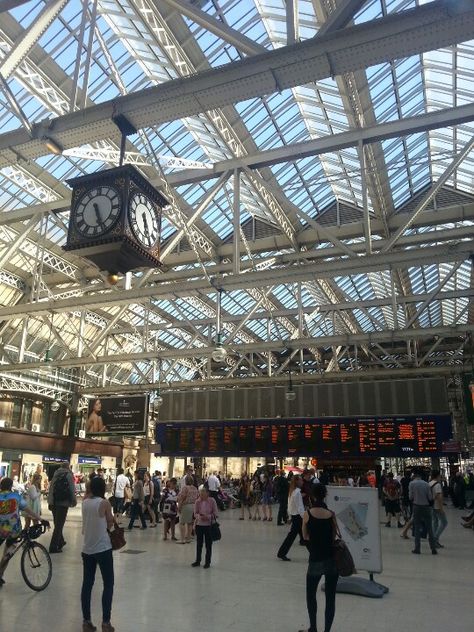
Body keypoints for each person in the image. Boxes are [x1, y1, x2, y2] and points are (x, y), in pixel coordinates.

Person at [300, 484, 339, 632]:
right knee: (330, 598)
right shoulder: (331, 514)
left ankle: (313, 627)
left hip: (315, 559)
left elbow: (304, 536)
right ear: (325, 495)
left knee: (311, 595)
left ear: (313, 496)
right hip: (331, 559)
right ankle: (327, 630)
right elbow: (334, 535)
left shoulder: (307, 514)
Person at [0, 477, 50, 588]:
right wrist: (40, 519)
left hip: (1, 529)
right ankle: (1, 574)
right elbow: (28, 510)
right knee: (8, 553)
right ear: (11, 486)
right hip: (14, 530)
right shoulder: (16, 496)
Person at [81, 475, 115, 632]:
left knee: (87, 584)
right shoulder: (104, 503)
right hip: (103, 548)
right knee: (108, 584)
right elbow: (110, 521)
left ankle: (86, 621)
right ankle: (106, 623)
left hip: (87, 548)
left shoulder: (85, 503)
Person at [48, 461, 76, 553]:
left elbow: (51, 488)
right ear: (68, 467)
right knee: (59, 525)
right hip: (63, 503)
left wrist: (50, 502)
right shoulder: (68, 475)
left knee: (57, 523)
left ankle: (61, 541)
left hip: (54, 502)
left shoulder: (55, 474)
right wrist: (73, 500)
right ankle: (53, 546)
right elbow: (72, 489)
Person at [409, 468, 437, 555]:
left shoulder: (412, 484)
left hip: (416, 507)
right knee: (429, 528)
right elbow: (430, 498)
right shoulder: (426, 484)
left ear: (414, 476)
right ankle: (433, 549)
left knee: (417, 527)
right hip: (426, 507)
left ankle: (417, 549)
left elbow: (410, 497)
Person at [277, 474, 304, 561]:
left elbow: (290, 505)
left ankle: (281, 553)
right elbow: (300, 507)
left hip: (295, 516)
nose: (302, 482)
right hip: (298, 517)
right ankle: (281, 553)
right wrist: (305, 517)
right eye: (301, 480)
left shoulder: (292, 491)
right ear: (297, 481)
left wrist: (290, 516)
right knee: (293, 536)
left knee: (304, 537)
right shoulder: (297, 492)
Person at [192, 486, 218, 568]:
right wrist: (199, 517)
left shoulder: (212, 501)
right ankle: (198, 560)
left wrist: (209, 516)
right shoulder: (197, 502)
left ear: (207, 493)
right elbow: (195, 513)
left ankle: (207, 562)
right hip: (199, 525)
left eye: (203, 492)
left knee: (208, 544)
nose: (201, 494)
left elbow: (216, 513)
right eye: (201, 492)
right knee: (199, 544)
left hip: (209, 525)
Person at [177, 475, 199, 543]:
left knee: (182, 522)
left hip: (186, 506)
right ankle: (188, 538)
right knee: (190, 523)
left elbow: (182, 498)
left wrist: (179, 507)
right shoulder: (195, 488)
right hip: (193, 506)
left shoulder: (185, 488)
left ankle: (182, 539)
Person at [430, 470, 447, 548]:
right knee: (444, 522)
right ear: (437, 476)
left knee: (435, 522)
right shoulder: (437, 485)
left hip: (431, 506)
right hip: (437, 506)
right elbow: (439, 497)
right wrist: (441, 508)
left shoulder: (429, 483)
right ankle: (435, 538)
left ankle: (434, 540)